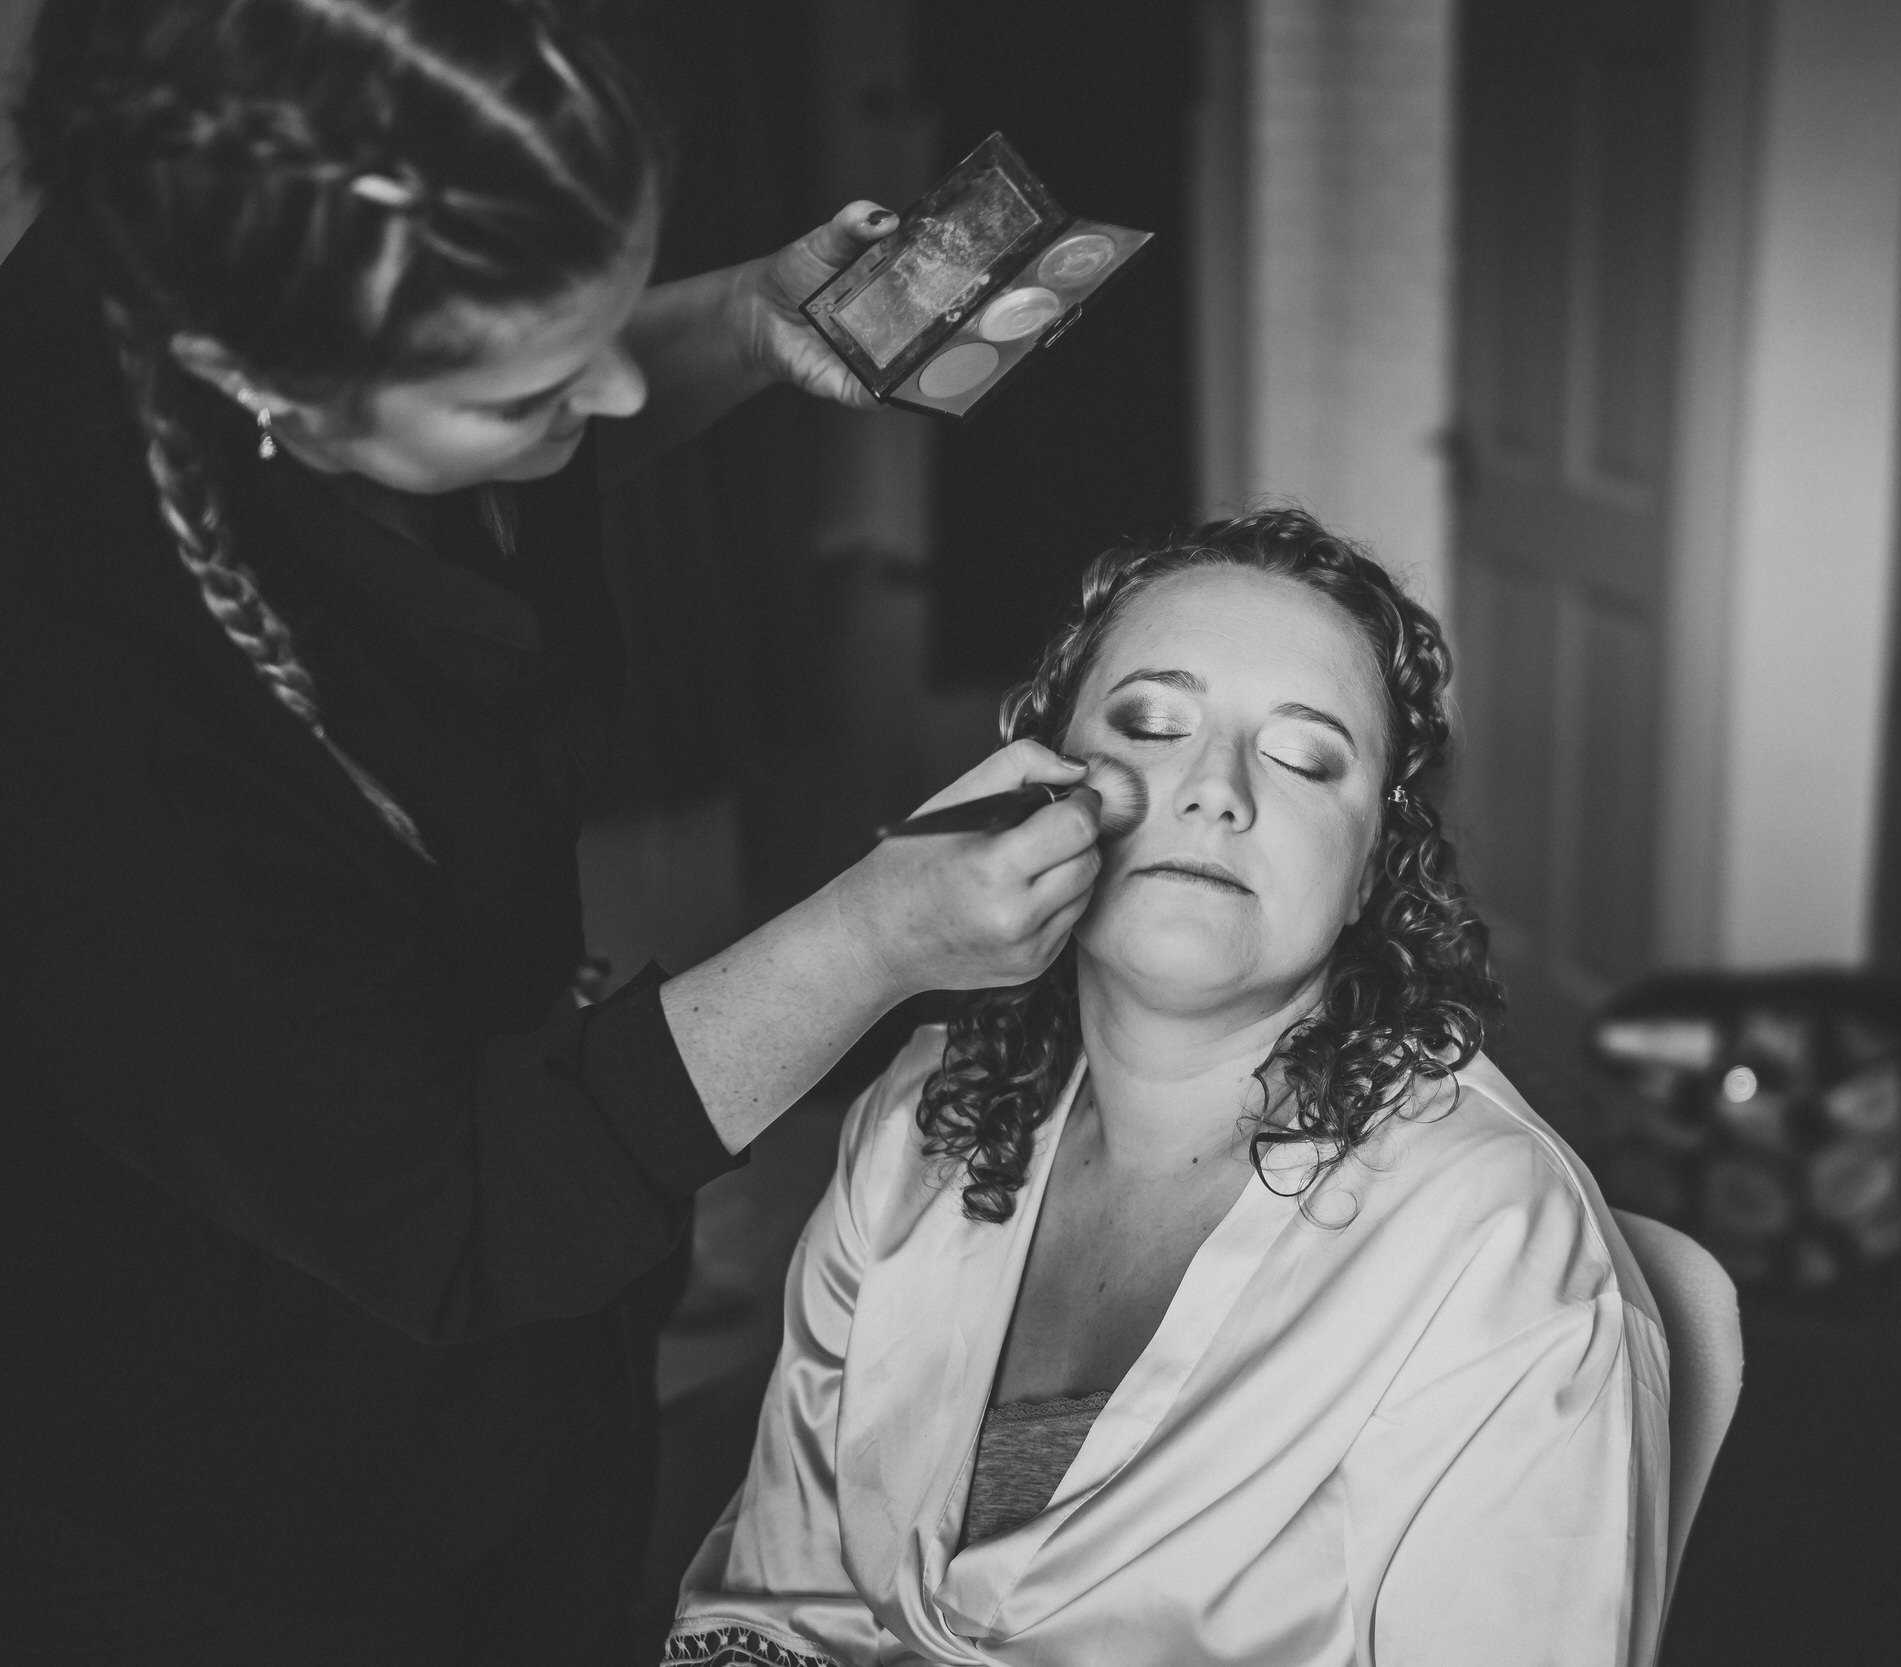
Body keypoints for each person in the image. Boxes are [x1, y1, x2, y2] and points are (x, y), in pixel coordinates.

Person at [0, 3, 1105, 1659]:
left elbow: (529, 382)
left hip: (535, 1384)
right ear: (256, 382)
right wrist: (873, 939)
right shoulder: (88, 705)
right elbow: (452, 1207)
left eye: (616, 306)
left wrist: (741, 321)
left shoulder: (234, 181)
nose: (618, 385)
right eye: (532, 392)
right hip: (262, 1487)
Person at [668, 510, 1675, 1667]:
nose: (1216, 789)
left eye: (1304, 756)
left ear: (1367, 875)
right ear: (1038, 783)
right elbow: (779, 1599)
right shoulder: (916, 1122)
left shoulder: (1498, 1246)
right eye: (1151, 722)